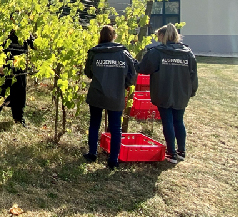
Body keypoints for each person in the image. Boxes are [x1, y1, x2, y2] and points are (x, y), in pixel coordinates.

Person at [137, 23, 198, 164]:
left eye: (158, 36)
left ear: (163, 36)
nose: (157, 39)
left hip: (163, 91)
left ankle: (171, 153)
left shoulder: (157, 52)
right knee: (178, 121)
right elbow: (193, 75)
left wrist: (133, 63)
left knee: (168, 122)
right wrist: (192, 91)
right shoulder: (188, 53)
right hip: (181, 93)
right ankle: (181, 151)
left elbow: (144, 68)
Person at [83, 25, 137, 169]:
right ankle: (113, 160)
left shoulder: (94, 52)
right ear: (114, 36)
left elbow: (88, 72)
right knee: (115, 128)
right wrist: (123, 84)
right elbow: (133, 75)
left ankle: (92, 153)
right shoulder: (124, 53)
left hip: (97, 94)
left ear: (100, 36)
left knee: (94, 124)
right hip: (116, 95)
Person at [0, 24, 33, 127]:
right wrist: (0, 66)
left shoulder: (25, 32)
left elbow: (34, 46)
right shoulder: (5, 31)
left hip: (19, 69)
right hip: (4, 68)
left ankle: (18, 118)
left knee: (19, 94)